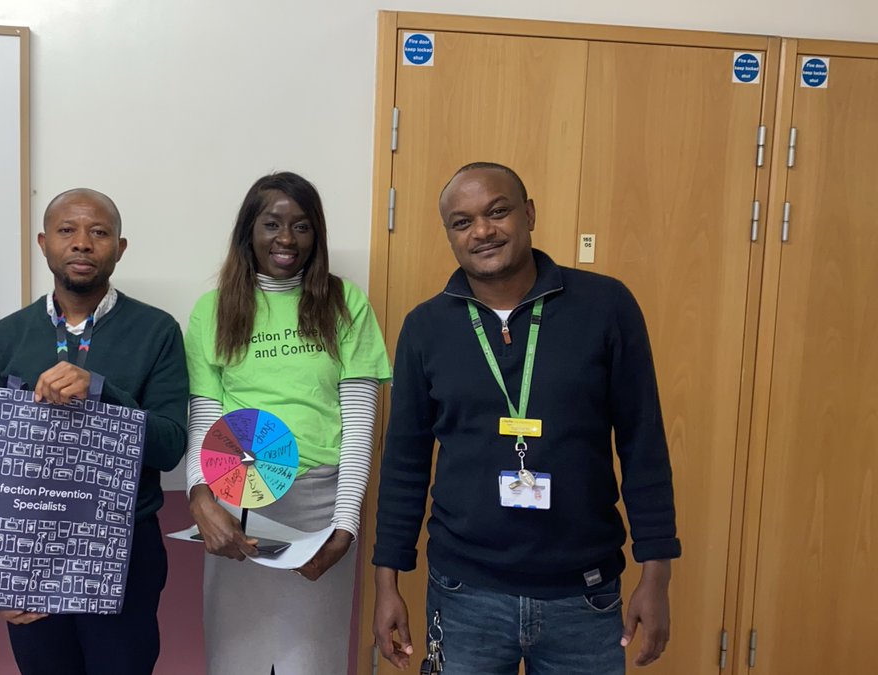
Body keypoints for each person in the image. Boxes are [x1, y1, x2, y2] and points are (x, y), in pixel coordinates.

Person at [371, 162, 681, 674]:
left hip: (584, 596)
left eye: (498, 212)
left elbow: (642, 444)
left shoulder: (606, 307)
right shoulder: (426, 328)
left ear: (529, 213)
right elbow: (404, 463)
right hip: (463, 594)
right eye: (463, 222)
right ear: (449, 234)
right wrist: (388, 583)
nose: (483, 231)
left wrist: (657, 573)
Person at [0, 188, 189, 675]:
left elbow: (170, 446)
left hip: (124, 544)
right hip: (28, 546)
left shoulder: (158, 331)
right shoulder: (6, 336)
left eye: (99, 232)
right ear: (43, 242)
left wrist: (101, 391)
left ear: (120, 246)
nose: (83, 243)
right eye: (67, 231)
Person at [184, 172, 391, 674]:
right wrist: (200, 497)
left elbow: (361, 426)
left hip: (322, 503)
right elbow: (206, 418)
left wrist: (346, 525)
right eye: (271, 224)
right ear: (248, 233)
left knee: (311, 663)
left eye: (301, 226)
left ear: (316, 235)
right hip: (238, 505)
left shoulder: (346, 303)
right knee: (235, 662)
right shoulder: (213, 310)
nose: (285, 239)